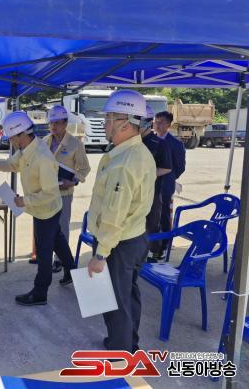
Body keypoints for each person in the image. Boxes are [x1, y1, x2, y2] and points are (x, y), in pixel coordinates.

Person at [0, 111, 75, 306]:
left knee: (44, 253)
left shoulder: (43, 157)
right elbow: (12, 165)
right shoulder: (26, 149)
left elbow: (50, 193)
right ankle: (71, 270)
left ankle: (40, 293)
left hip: (47, 211)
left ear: (22, 134)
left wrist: (24, 201)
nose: (11, 141)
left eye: (12, 137)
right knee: (57, 240)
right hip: (42, 209)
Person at [86, 89, 156, 353]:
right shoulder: (136, 152)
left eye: (109, 119)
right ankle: (128, 344)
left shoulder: (124, 162)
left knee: (115, 301)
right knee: (127, 295)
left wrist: (100, 254)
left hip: (118, 242)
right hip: (133, 237)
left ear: (125, 124)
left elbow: (114, 215)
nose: (104, 123)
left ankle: (120, 353)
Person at [43, 105, 90, 273]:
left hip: (64, 193)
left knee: (61, 227)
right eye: (51, 123)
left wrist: (73, 181)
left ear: (65, 123)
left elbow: (84, 168)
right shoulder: (45, 141)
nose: (53, 126)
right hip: (46, 192)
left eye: (56, 123)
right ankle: (46, 256)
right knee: (45, 226)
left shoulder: (75, 144)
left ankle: (59, 260)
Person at [140, 105, 172, 263]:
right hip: (134, 191)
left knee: (152, 224)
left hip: (152, 192)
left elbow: (166, 168)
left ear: (148, 122)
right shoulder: (133, 142)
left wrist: (146, 175)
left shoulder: (159, 143)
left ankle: (154, 254)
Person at [153, 111, 186, 258]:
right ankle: (151, 243)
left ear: (168, 124)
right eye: (156, 121)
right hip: (150, 184)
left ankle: (164, 245)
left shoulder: (176, 144)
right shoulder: (151, 140)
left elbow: (180, 167)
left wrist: (170, 177)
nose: (157, 124)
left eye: (161, 122)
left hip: (165, 185)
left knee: (164, 215)